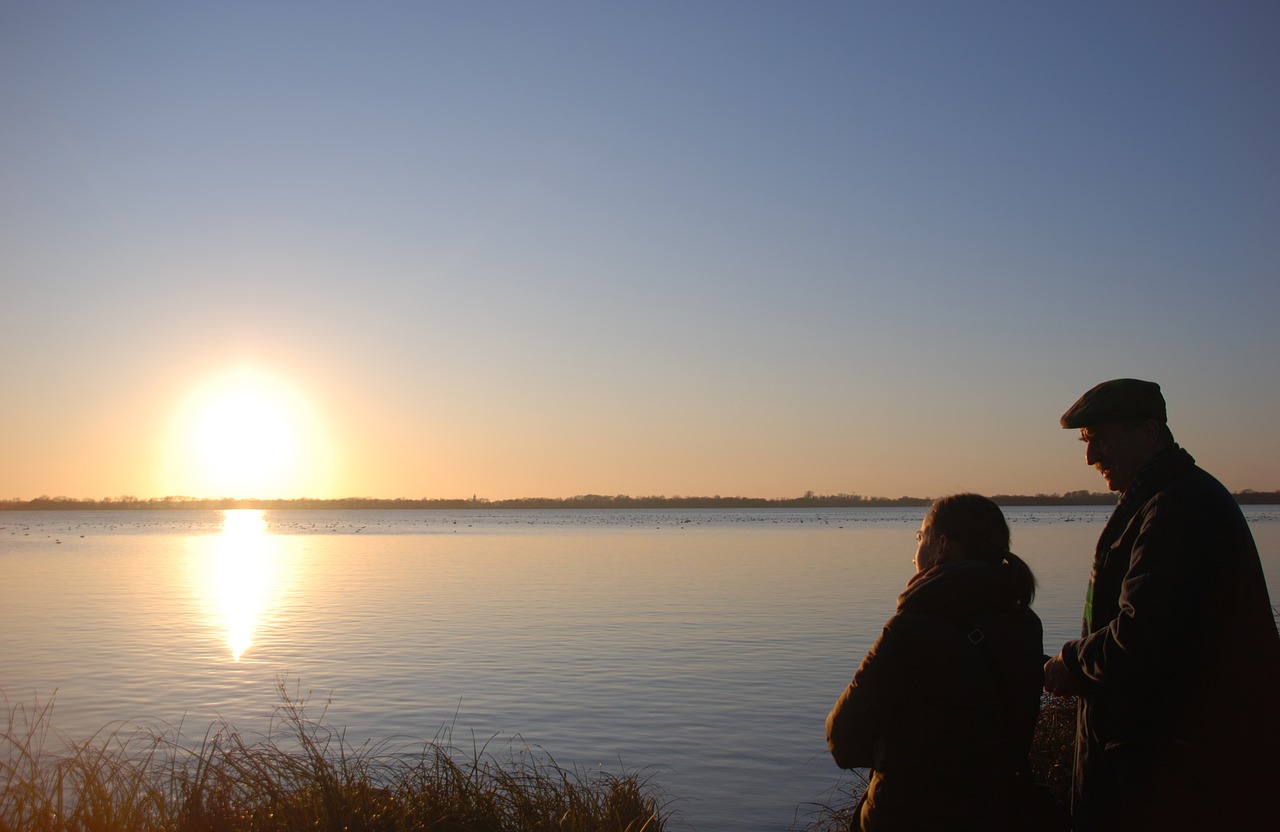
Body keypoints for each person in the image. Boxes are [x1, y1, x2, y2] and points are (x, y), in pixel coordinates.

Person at [1043, 378, 1280, 831]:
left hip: (1170, 783)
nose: (1090, 457)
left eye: (1101, 439)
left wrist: (1072, 661)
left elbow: (1143, 637)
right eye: (1087, 442)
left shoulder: (1179, 508)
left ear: (1149, 432)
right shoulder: (1166, 499)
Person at [827, 493, 1045, 832]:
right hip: (996, 813)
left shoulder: (910, 631)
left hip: (907, 816)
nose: (914, 554)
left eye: (919, 538)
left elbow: (843, 739)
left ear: (941, 546)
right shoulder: (1025, 625)